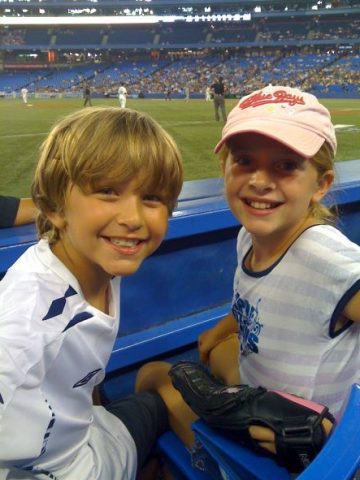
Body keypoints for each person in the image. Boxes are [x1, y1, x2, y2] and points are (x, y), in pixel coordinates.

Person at [135, 85, 360, 471]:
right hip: (268, 393)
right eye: (244, 160)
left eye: (286, 165)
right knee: (218, 350)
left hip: (297, 454)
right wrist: (223, 328)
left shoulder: (325, 258)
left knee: (153, 374)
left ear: (320, 186)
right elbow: (256, 300)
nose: (259, 180)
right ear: (225, 169)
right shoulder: (251, 236)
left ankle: (186, 465)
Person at [0, 106, 183, 480]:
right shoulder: (28, 321)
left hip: (82, 438)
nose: (132, 217)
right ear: (53, 207)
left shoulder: (94, 259)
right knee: (175, 389)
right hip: (79, 468)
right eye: (107, 192)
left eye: (151, 198)